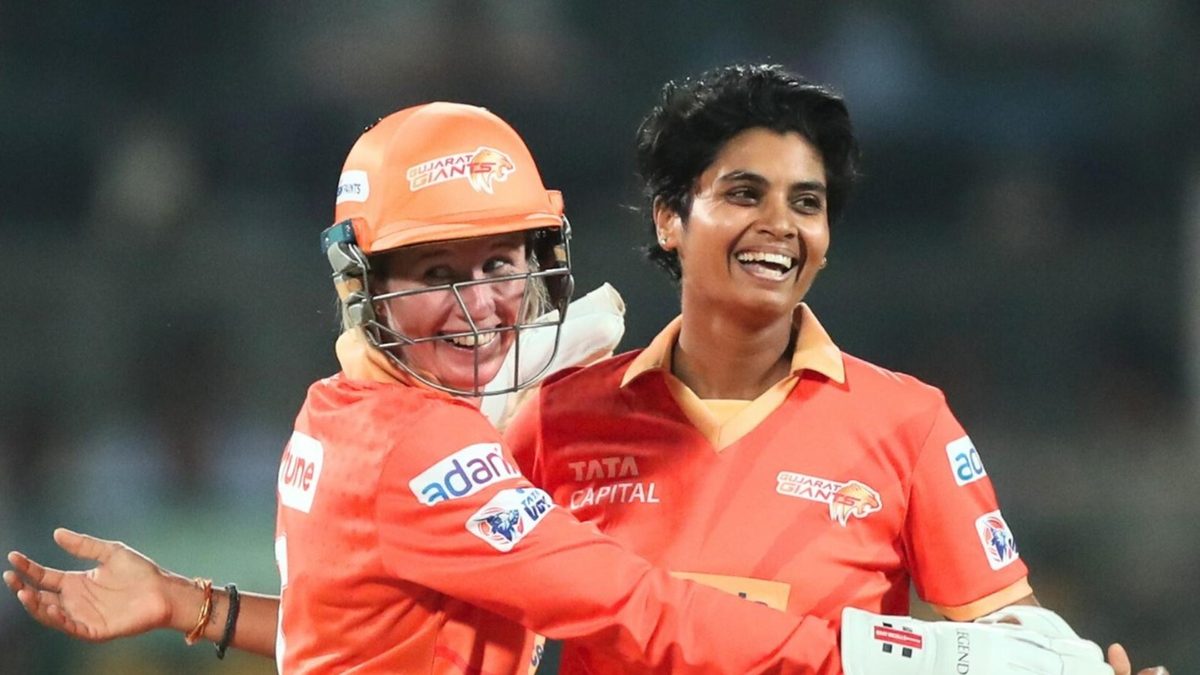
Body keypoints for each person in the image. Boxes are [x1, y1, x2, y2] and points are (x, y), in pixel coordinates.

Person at [6, 97, 1126, 675]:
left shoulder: (337, 412)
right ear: (364, 285)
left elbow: (367, 634)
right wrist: (933, 658)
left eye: (500, 264)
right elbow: (642, 614)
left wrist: (190, 605)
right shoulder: (431, 453)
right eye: (436, 276)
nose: (480, 306)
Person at [500, 64, 1167, 675]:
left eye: (806, 203)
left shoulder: (908, 424)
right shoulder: (556, 418)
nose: (779, 225)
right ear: (670, 220)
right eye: (745, 194)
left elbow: (1012, 635)